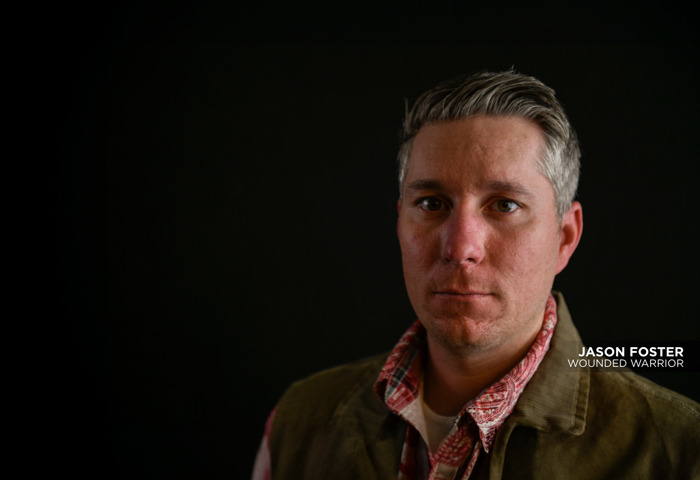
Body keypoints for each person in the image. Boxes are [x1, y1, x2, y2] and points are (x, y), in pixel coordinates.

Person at [251, 70, 699, 479]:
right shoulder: (300, 422)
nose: (460, 247)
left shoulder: (679, 450)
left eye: (504, 205)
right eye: (431, 204)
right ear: (399, 224)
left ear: (564, 238)